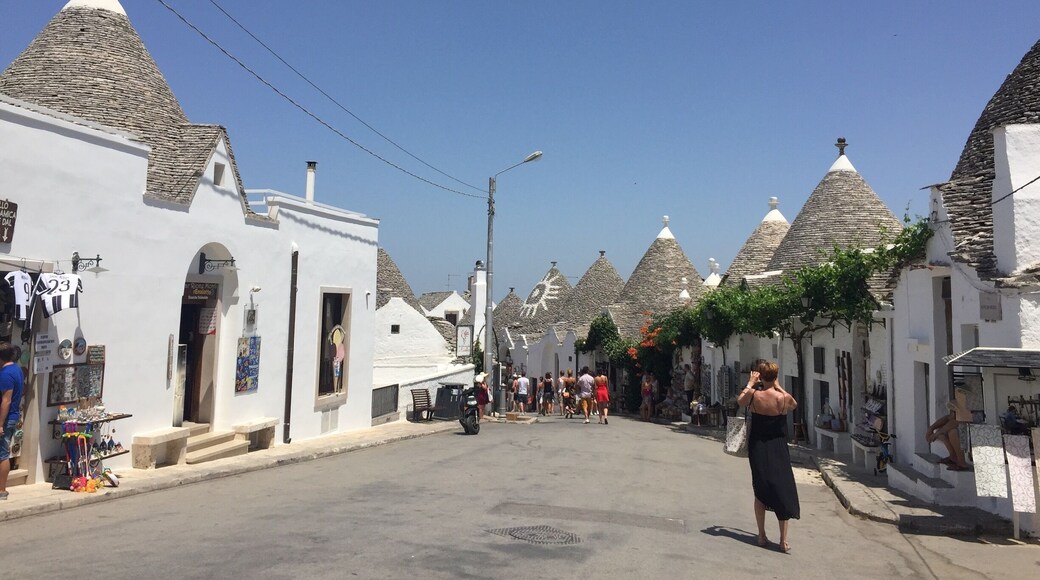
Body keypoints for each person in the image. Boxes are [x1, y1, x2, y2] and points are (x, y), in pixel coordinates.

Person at [737, 361, 799, 553]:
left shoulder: (755, 396)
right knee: (782, 488)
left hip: (758, 447)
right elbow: (794, 404)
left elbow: (740, 401)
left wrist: (750, 383)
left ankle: (762, 535)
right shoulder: (782, 398)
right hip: (778, 447)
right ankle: (783, 540)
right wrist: (778, 386)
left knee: (760, 489)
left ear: (761, 376)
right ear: (776, 376)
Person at [0, 341, 25, 501]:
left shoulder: (6, 374)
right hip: (13, 417)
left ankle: (2, 490)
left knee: (2, 454)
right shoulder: (16, 369)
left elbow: (6, 400)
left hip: (6, 419)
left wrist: (0, 424)